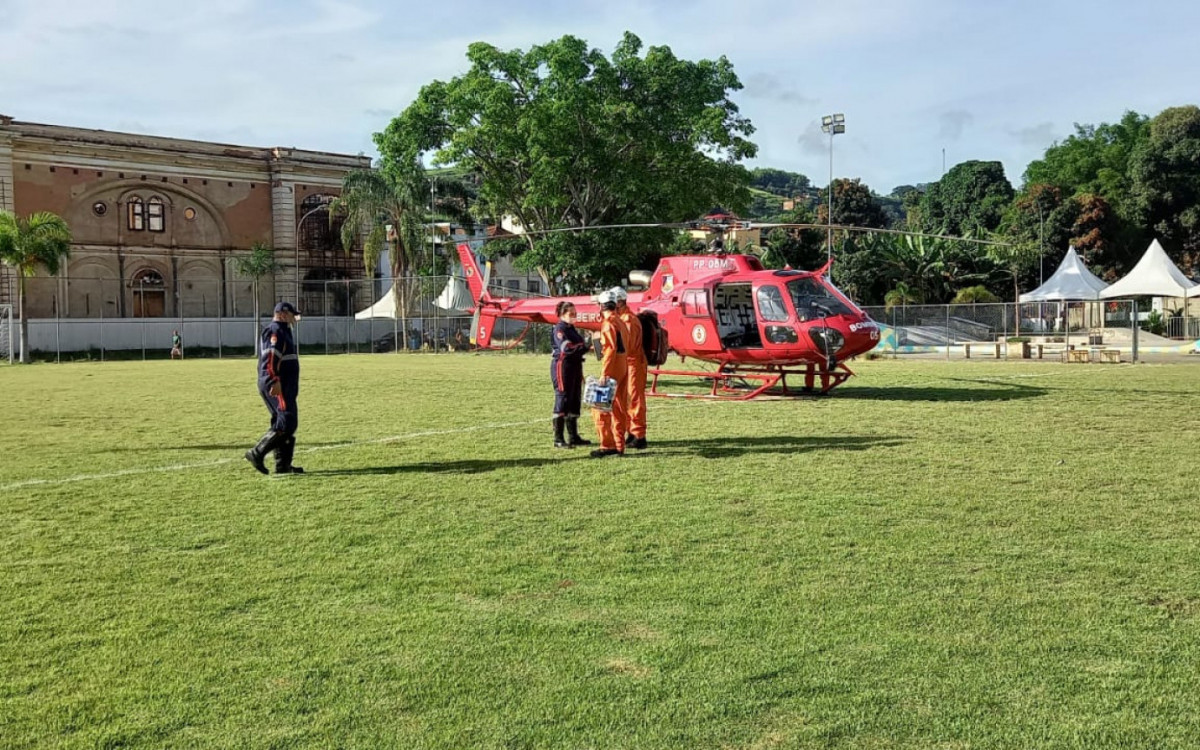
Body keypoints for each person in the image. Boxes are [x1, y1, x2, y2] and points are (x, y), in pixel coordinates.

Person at [245, 302, 304, 475]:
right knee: (287, 421)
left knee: (284, 422)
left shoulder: (283, 331)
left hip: (285, 385)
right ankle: (257, 453)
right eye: (293, 314)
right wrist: (273, 380)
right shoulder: (275, 331)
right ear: (283, 314)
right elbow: (270, 358)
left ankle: (282, 466)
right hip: (278, 384)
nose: (295, 318)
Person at [591, 289, 630, 458]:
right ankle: (620, 444)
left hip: (612, 369)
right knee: (619, 408)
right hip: (623, 368)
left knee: (599, 408)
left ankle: (607, 445)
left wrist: (605, 374)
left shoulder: (608, 324)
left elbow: (610, 349)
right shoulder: (621, 322)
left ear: (601, 306)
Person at [550, 301, 590, 449]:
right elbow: (567, 348)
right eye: (571, 314)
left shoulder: (572, 328)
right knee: (563, 397)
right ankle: (558, 438)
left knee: (574, 399)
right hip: (563, 366)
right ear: (562, 314)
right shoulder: (559, 329)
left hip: (575, 365)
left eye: (575, 313)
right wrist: (584, 346)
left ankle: (573, 436)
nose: (574, 316)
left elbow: (579, 347)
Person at [612, 287, 648, 450]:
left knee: (634, 398)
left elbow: (629, 346)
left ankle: (639, 435)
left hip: (633, 362)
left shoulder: (628, 320)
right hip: (629, 362)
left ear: (619, 302)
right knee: (627, 399)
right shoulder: (624, 318)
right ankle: (632, 432)